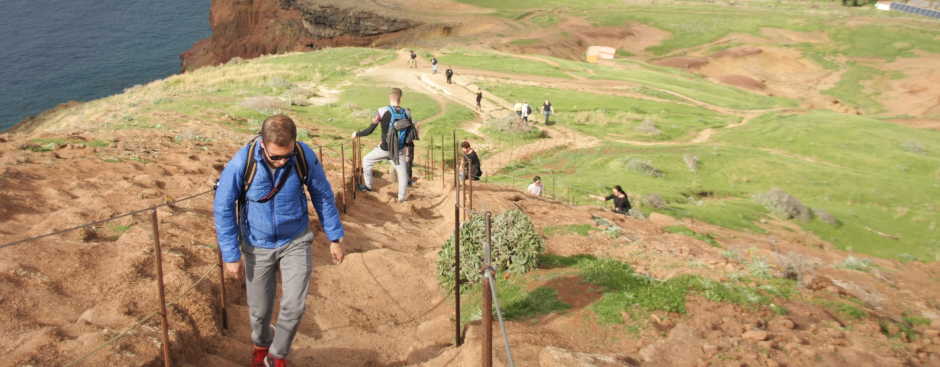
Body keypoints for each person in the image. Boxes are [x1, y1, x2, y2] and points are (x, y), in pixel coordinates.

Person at [214, 114, 345, 367]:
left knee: (294, 306)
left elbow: (323, 195)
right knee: (259, 313)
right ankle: (261, 345)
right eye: (276, 156)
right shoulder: (243, 161)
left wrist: (335, 236)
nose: (283, 160)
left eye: (288, 154)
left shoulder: (303, 156)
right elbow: (223, 207)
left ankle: (276, 357)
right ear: (263, 144)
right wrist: (230, 255)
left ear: (295, 143)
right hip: (256, 244)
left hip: (296, 240)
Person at [352, 87, 416, 202]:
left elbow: (370, 130)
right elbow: (410, 134)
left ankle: (368, 186)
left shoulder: (381, 111)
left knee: (366, 160)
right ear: (400, 98)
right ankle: (401, 198)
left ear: (390, 97)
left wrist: (357, 134)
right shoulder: (407, 113)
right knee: (402, 174)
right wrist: (406, 149)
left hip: (384, 148)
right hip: (398, 150)